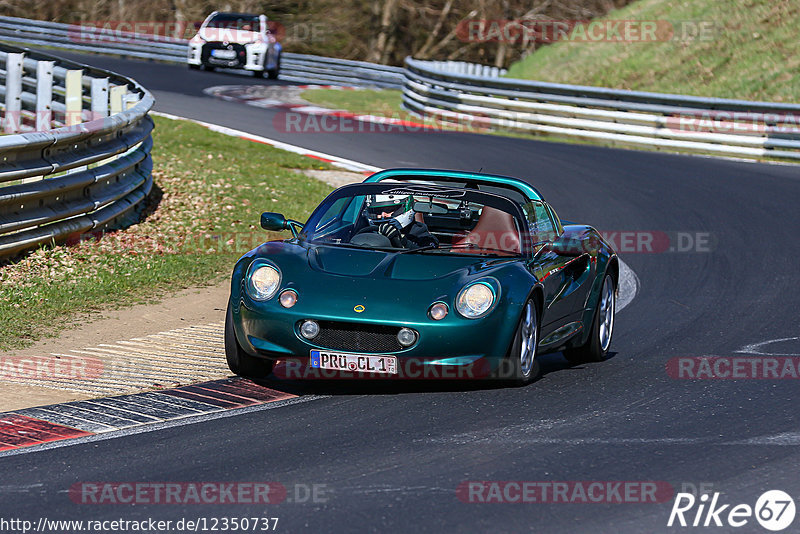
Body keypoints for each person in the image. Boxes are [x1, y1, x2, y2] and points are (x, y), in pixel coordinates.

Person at [363, 194, 438, 249]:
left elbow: (429, 254)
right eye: (377, 211)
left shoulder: (420, 233)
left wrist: (401, 241)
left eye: (389, 210)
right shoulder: (367, 230)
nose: (383, 215)